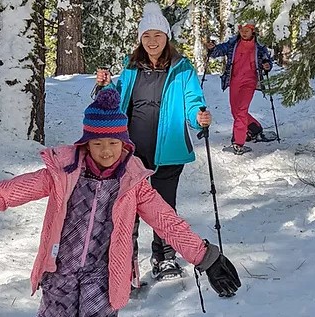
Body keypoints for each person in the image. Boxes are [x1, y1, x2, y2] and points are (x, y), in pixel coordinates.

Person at [0, 89, 240, 317]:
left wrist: (204, 256)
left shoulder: (133, 184)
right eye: (97, 143)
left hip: (105, 279)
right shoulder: (63, 173)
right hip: (59, 275)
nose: (106, 151)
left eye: (113, 143)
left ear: (125, 144)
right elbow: (12, 191)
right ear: (85, 142)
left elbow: (166, 221)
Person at [95, 2, 212, 283]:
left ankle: (164, 256)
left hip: (169, 150)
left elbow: (193, 102)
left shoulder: (182, 69)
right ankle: (125, 263)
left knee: (164, 207)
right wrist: (105, 86)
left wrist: (199, 118)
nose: (152, 42)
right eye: (146, 36)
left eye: (157, 36)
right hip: (131, 149)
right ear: (140, 39)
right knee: (127, 206)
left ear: (166, 37)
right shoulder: (131, 66)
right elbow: (116, 98)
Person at [206, 22, 273, 155]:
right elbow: (218, 51)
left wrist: (267, 65)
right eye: (242, 30)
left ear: (253, 31)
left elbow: (267, 61)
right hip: (234, 80)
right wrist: (212, 48)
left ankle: (238, 143)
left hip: (250, 81)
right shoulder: (233, 44)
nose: (244, 32)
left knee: (241, 111)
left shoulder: (258, 47)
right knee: (235, 111)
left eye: (247, 30)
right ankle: (255, 128)